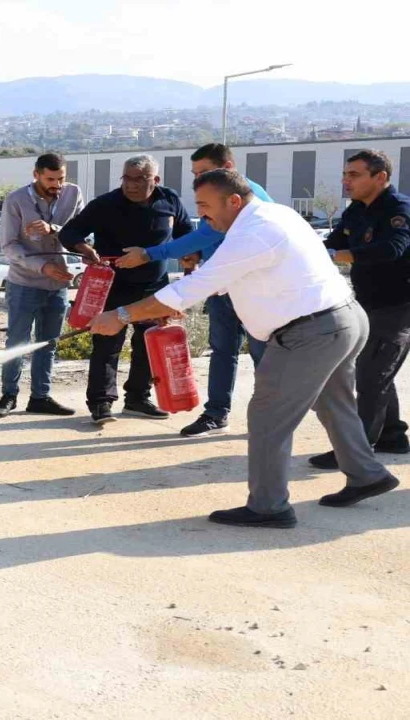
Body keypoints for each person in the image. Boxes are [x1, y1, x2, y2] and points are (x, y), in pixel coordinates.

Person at [88, 169, 399, 528]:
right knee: (335, 403)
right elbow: (230, 278)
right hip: (342, 320)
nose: (202, 216)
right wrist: (170, 302)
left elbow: (194, 287)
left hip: (310, 333)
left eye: (205, 206)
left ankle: (269, 506)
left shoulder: (252, 234)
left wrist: (121, 314)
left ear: (234, 201)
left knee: (268, 416)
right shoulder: (275, 214)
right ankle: (366, 474)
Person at [117, 143, 272, 438]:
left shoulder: (246, 199)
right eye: (194, 173)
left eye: (204, 172)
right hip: (220, 291)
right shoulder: (218, 197)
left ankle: (271, 416)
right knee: (223, 351)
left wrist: (149, 254)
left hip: (250, 291)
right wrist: (198, 255)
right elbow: (210, 237)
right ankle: (216, 413)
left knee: (263, 355)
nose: (197, 179)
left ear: (227, 169)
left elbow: (206, 233)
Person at [58, 154, 194, 424]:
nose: (131, 185)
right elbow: (69, 233)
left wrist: (191, 259)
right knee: (107, 344)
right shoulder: (105, 204)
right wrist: (84, 248)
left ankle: (138, 398)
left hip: (154, 288)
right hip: (113, 286)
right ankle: (101, 402)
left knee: (148, 343)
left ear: (155, 180)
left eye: (139, 180)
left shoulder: (170, 201)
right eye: (126, 179)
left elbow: (187, 234)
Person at [309, 150, 410, 469]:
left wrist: (342, 255)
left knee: (370, 376)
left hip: (399, 306)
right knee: (375, 371)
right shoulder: (356, 210)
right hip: (368, 303)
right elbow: (331, 243)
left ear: (379, 178)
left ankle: (355, 451)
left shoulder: (399, 210)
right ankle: (392, 435)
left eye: (354, 175)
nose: (345, 181)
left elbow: (391, 249)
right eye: (345, 174)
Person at [0, 153, 85, 418]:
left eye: (61, 179)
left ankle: (40, 397)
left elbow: (78, 231)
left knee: (48, 343)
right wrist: (43, 267)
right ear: (36, 175)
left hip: (58, 285)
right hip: (24, 282)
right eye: (50, 179)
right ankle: (8, 396)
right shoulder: (16, 200)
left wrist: (53, 228)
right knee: (17, 341)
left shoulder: (73, 193)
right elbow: (9, 246)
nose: (57, 185)